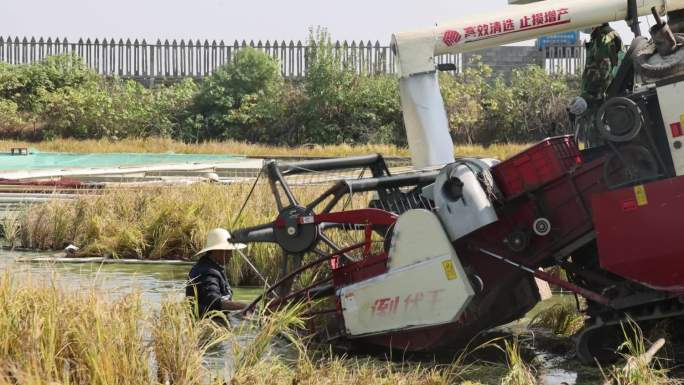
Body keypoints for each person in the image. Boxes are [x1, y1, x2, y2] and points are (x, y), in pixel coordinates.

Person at [571, 23, 626, 148]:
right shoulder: (600, 37)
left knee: (599, 150)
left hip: (601, 105)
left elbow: (603, 74)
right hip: (599, 104)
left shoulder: (605, 38)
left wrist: (586, 97)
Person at [186, 228, 249, 318]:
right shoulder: (207, 272)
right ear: (218, 251)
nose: (231, 255)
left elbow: (222, 299)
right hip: (209, 325)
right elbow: (214, 302)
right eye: (229, 251)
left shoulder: (212, 266)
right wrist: (245, 306)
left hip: (216, 320)